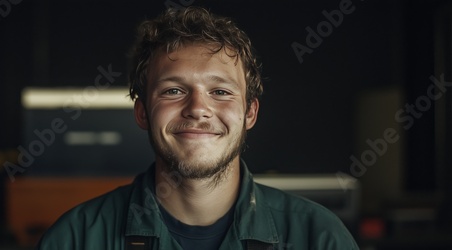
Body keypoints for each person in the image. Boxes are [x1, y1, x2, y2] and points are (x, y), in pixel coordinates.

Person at [36, 6, 359, 250]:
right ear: (143, 113)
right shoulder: (76, 237)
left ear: (250, 113)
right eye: (173, 91)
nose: (197, 109)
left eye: (220, 92)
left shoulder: (318, 235)